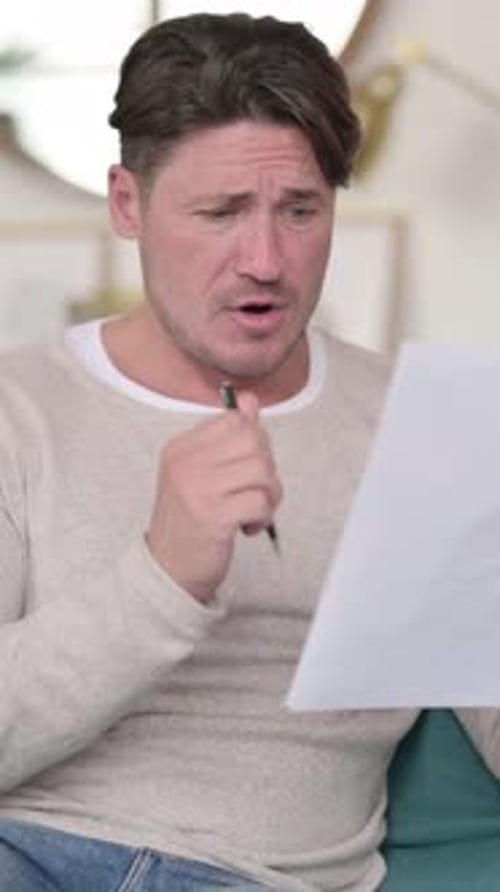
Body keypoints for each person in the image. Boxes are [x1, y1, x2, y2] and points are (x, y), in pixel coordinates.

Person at [0, 11, 499, 892]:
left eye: (300, 210)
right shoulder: (19, 410)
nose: (266, 259)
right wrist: (164, 576)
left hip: (256, 877)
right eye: (221, 212)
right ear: (130, 203)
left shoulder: (419, 427)